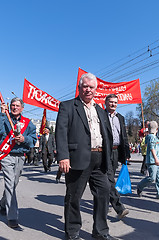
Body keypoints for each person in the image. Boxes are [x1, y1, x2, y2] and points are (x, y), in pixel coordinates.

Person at [55, 73, 115, 240]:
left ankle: (101, 231)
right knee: (74, 196)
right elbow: (60, 133)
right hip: (76, 159)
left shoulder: (100, 110)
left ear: (96, 89)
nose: (88, 89)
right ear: (79, 87)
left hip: (99, 159)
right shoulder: (68, 106)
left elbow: (107, 135)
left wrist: (109, 158)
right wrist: (63, 157)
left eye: (91, 87)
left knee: (103, 193)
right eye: (85, 86)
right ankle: (72, 232)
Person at [0, 97, 37, 229]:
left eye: (17, 105)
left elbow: (33, 139)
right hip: (7, 156)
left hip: (20, 156)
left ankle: (4, 203)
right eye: (12, 105)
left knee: (14, 183)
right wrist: (1, 113)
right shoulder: (4, 118)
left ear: (22, 108)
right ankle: (12, 216)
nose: (14, 107)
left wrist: (24, 138)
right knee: (10, 183)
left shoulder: (28, 123)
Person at [104, 94, 130, 220]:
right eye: (111, 102)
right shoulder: (101, 116)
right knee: (109, 180)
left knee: (108, 180)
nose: (113, 104)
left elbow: (123, 136)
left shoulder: (120, 118)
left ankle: (103, 203)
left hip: (115, 152)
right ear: (106, 103)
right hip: (104, 152)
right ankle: (119, 208)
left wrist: (126, 153)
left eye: (115, 102)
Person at [136, 121, 159, 200]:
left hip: (157, 161)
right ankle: (140, 186)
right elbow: (152, 148)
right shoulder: (151, 137)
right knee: (152, 178)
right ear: (157, 129)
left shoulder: (154, 137)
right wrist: (156, 159)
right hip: (152, 161)